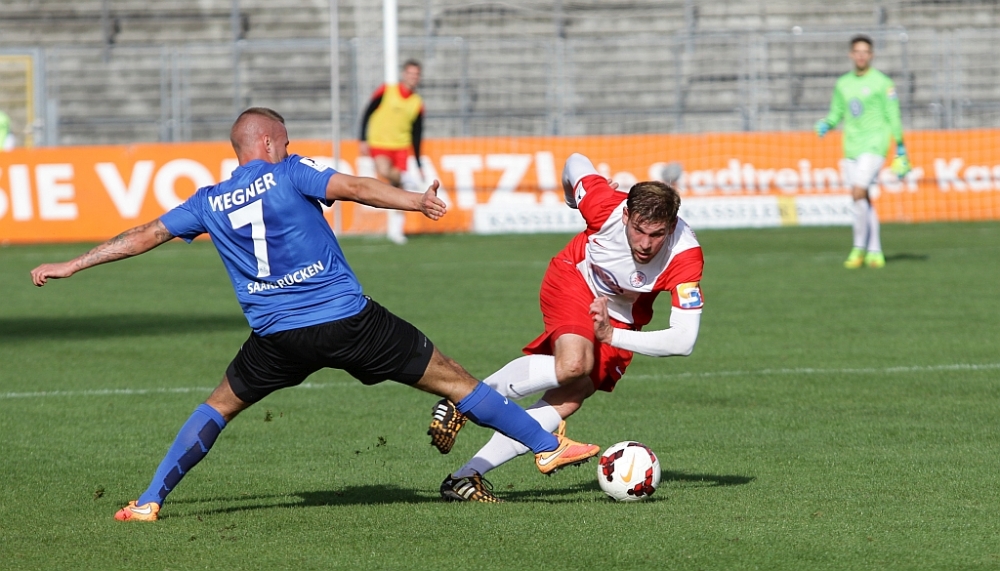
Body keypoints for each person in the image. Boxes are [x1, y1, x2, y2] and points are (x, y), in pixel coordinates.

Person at [29, 108, 600, 521]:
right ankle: (546, 446)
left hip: (277, 338)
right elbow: (353, 187)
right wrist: (415, 201)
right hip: (349, 321)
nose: (288, 146)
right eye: (285, 140)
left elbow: (143, 234)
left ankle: (151, 500)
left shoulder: (207, 201)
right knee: (453, 379)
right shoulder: (289, 171)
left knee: (217, 407)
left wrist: (73, 264)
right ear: (270, 142)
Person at [425, 153, 704, 502]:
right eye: (639, 230)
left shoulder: (685, 254)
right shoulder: (603, 204)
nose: (645, 244)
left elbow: (684, 340)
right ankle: (463, 399)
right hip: (574, 279)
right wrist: (573, 199)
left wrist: (611, 335)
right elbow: (575, 162)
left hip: (620, 316)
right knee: (574, 364)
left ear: (672, 226)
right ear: (625, 215)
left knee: (573, 394)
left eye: (657, 234)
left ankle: (465, 476)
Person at [815, 34, 910, 270]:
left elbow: (892, 114)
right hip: (851, 147)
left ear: (871, 55)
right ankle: (875, 251)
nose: (860, 56)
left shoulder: (883, 83)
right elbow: (837, 112)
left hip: (875, 145)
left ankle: (858, 248)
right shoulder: (843, 84)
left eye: (865, 52)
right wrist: (827, 123)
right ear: (851, 54)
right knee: (862, 198)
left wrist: (900, 145)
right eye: (857, 52)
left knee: (858, 192)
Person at [359, 59, 425, 245]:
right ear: (404, 74)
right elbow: (368, 111)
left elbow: (417, 135)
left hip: (401, 147)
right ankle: (405, 177)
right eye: (410, 73)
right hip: (380, 143)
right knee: (384, 170)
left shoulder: (417, 103)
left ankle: (396, 230)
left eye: (416, 74)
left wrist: (418, 163)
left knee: (398, 191)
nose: (413, 77)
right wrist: (362, 138)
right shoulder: (387, 90)